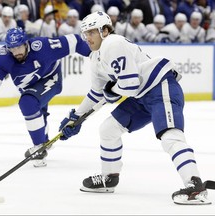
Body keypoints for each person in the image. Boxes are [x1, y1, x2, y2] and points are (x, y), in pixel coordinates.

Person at [58, 11, 212, 205]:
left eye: (91, 32)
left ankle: (195, 187)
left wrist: (111, 90)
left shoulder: (112, 43)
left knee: (170, 136)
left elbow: (128, 85)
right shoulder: (96, 59)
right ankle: (109, 177)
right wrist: (76, 117)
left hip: (159, 87)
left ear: (105, 31)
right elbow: (97, 94)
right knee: (108, 129)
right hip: (141, 97)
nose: (87, 37)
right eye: (84, 33)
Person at [0, 27, 90, 168]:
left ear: (26, 43)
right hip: (30, 87)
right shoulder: (1, 57)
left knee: (28, 102)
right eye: (12, 48)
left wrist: (96, 55)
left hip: (51, 78)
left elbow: (76, 41)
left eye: (19, 47)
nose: (16, 52)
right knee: (36, 111)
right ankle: (43, 140)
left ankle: (39, 148)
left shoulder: (43, 46)